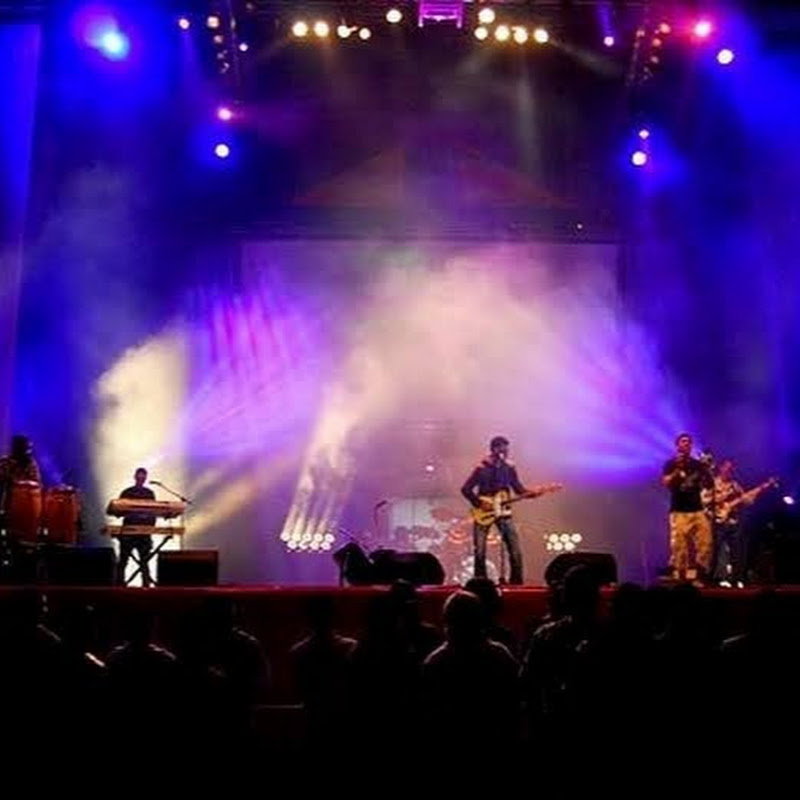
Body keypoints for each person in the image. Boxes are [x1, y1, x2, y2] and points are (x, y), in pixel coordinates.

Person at [461, 435, 533, 584]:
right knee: (480, 550)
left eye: (506, 449)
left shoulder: (509, 468)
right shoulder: (481, 468)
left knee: (514, 548)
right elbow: (466, 489)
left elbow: (518, 488)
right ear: (493, 449)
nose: (505, 451)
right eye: (501, 448)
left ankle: (516, 583)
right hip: (484, 512)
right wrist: (479, 503)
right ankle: (480, 582)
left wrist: (530, 493)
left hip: (503, 510)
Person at [661, 433, 714, 582]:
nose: (687, 444)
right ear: (677, 445)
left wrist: (707, 469)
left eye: (689, 442)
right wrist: (677, 470)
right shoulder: (671, 463)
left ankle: (700, 575)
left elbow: (709, 485)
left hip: (697, 509)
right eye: (683, 442)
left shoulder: (697, 464)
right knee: (680, 547)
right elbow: (665, 483)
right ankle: (681, 578)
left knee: (706, 542)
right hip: (679, 511)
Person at [708, 459, 747, 587]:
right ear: (721, 468)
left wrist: (747, 499)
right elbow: (704, 500)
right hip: (718, 522)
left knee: (736, 551)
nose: (729, 470)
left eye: (731, 468)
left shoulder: (735, 485)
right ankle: (711, 578)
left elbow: (745, 500)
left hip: (733, 522)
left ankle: (736, 579)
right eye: (727, 467)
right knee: (715, 551)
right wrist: (722, 498)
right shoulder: (712, 483)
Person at [116, 467, 156, 586]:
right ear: (135, 477)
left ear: (145, 478)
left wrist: (149, 529)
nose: (141, 478)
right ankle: (119, 585)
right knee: (123, 560)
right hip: (128, 531)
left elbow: (153, 512)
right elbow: (117, 510)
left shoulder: (149, 493)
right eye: (139, 476)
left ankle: (146, 585)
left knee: (144, 561)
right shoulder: (127, 492)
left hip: (143, 532)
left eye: (143, 476)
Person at [0, 434, 41, 512]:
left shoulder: (31, 463)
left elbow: (37, 483)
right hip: (8, 502)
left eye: (29, 448)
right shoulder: (5, 462)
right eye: (26, 448)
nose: (29, 451)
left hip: (27, 503)